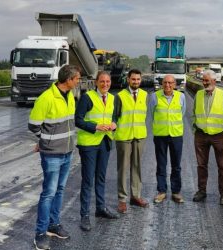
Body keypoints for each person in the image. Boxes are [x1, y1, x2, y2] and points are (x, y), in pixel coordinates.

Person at [28, 65, 80, 250]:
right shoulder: (47, 98)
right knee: (49, 193)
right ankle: (40, 233)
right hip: (51, 154)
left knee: (59, 190)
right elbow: (33, 125)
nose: (78, 81)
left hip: (67, 151)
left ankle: (54, 224)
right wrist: (45, 141)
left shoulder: (70, 97)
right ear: (68, 80)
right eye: (77, 79)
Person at [75, 71, 119, 232]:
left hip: (105, 142)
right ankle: (84, 215)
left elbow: (114, 117)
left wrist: (114, 124)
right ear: (96, 82)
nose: (105, 84)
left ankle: (100, 208)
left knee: (101, 178)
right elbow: (78, 120)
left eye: (108, 81)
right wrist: (95, 126)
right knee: (88, 181)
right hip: (89, 144)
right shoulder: (88, 98)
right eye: (102, 81)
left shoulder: (112, 98)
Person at [192, 69, 223, 205]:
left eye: (206, 81)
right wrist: (195, 128)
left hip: (218, 135)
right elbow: (193, 112)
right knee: (201, 165)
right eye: (203, 80)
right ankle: (202, 191)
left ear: (214, 81)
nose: (204, 83)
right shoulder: (198, 94)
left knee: (222, 166)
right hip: (201, 134)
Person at [114, 69, 149, 213]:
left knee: (137, 166)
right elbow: (115, 116)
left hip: (139, 136)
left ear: (140, 80)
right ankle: (122, 199)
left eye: (138, 79)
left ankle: (136, 196)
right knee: (123, 168)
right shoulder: (120, 96)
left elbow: (145, 115)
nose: (136, 82)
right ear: (128, 80)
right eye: (133, 79)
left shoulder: (145, 95)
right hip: (124, 136)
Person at [149, 75, 186, 204]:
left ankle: (176, 192)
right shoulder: (154, 96)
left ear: (175, 84)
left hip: (176, 135)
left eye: (170, 83)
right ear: (161, 84)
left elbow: (183, 113)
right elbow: (152, 114)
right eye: (165, 82)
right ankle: (161, 191)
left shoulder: (181, 97)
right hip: (160, 135)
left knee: (176, 165)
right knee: (161, 164)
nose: (168, 85)